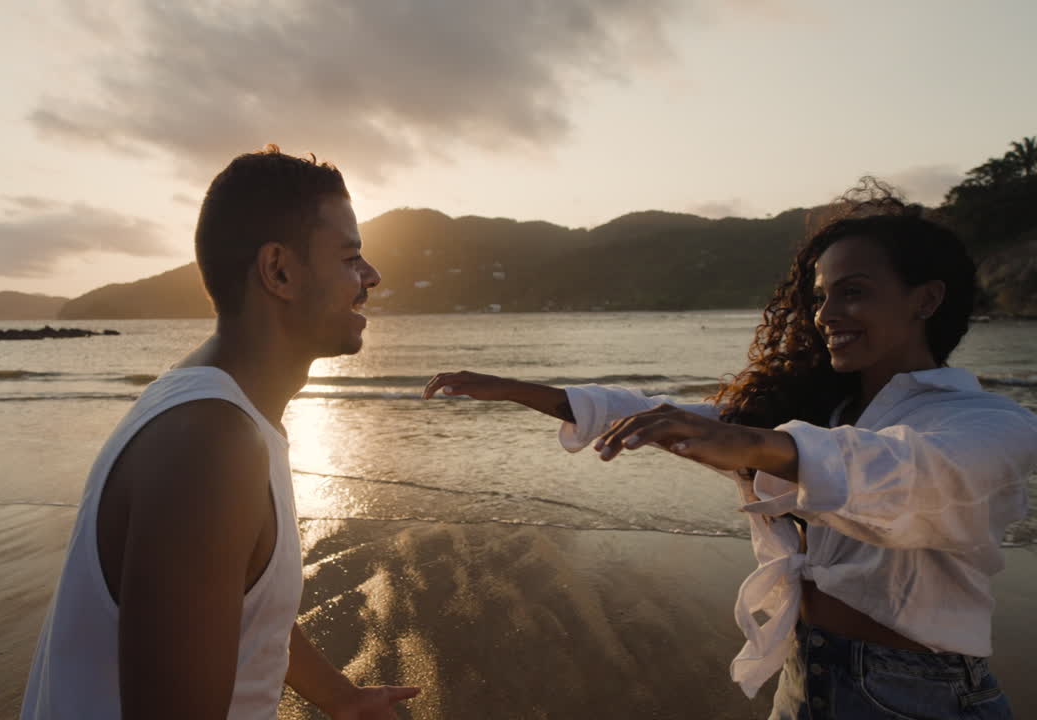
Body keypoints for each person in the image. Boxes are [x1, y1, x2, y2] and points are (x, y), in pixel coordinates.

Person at [423, 181, 1036, 719]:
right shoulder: (824, 416)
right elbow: (662, 414)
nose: (826, 315)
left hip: (921, 698)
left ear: (925, 300)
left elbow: (911, 476)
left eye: (852, 292)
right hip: (806, 677)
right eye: (820, 297)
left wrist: (748, 443)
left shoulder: (991, 423)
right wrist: (519, 390)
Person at [22, 146, 419, 719]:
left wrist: (342, 698)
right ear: (279, 271)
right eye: (351, 257)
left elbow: (240, 601)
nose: (371, 277)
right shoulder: (210, 446)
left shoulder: (223, 412)